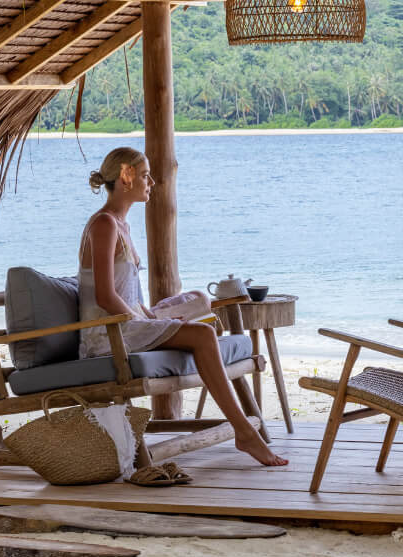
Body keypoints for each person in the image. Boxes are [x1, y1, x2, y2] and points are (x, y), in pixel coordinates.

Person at [78, 146, 287, 467]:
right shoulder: (104, 225)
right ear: (126, 176)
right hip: (107, 337)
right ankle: (244, 431)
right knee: (202, 335)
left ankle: (243, 429)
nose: (152, 182)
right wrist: (147, 323)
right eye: (145, 175)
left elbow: (128, 296)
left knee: (197, 316)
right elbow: (105, 297)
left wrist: (154, 318)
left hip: (126, 325)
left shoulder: (121, 225)